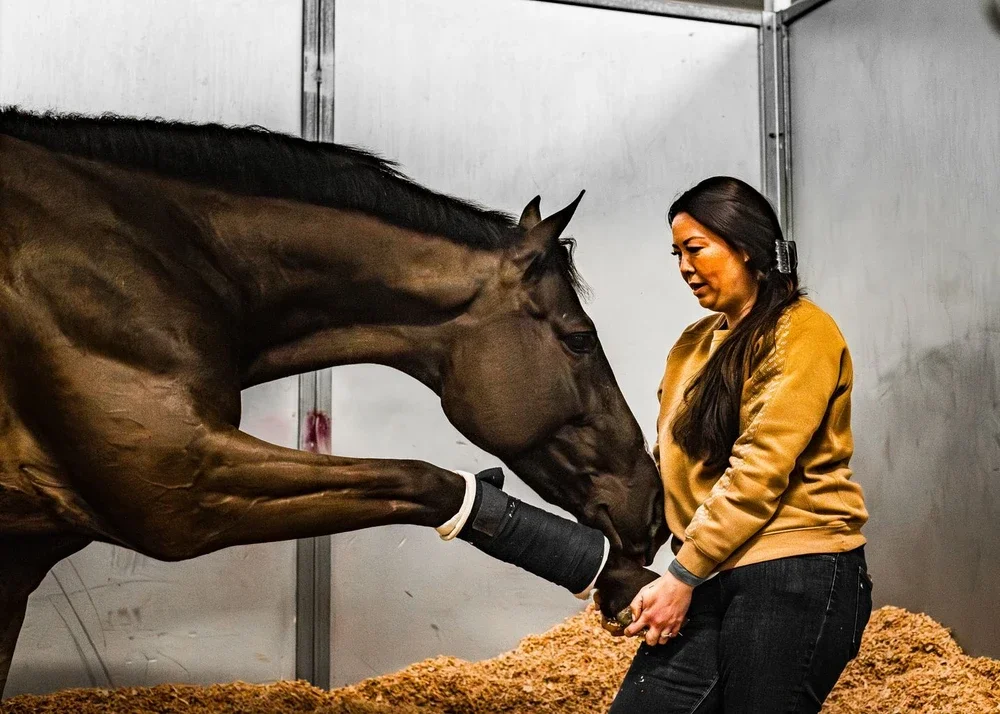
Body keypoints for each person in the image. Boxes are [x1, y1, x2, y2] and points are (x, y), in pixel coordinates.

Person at [608, 176, 872, 714]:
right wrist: (623, 559)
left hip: (794, 570)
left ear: (746, 246)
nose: (684, 266)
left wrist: (681, 577)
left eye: (696, 249)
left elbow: (758, 470)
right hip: (708, 570)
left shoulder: (803, 332)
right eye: (676, 253)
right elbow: (674, 469)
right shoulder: (692, 346)